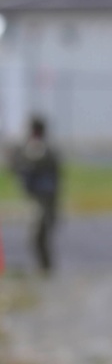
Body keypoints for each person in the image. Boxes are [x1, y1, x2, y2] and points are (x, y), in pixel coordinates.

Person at [9, 115, 61, 272]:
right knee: (38, 237)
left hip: (44, 199)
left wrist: (17, 156)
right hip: (38, 198)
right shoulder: (34, 147)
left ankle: (46, 269)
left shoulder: (42, 148)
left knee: (38, 235)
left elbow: (33, 159)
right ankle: (45, 268)